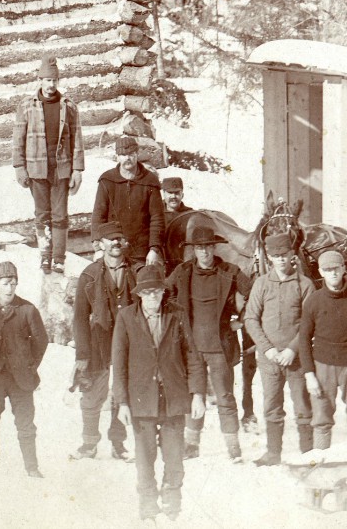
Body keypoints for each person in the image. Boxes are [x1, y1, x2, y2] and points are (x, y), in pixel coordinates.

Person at [113, 261, 192, 521]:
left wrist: (199, 393)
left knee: (174, 457)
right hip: (141, 400)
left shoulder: (177, 314)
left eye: (156, 292)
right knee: (145, 460)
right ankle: (148, 507)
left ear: (163, 292)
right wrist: (122, 403)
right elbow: (119, 363)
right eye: (147, 293)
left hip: (172, 399)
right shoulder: (126, 317)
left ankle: (173, 507)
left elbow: (191, 355)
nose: (152, 298)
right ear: (139, 295)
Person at [166, 214, 248, 463]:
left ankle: (233, 448)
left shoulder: (229, 272)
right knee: (195, 396)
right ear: (193, 250)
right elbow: (165, 294)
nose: (204, 253)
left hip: (219, 347)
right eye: (199, 248)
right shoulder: (183, 272)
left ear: (214, 247)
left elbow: (254, 293)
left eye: (207, 247)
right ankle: (192, 445)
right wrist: (176, 322)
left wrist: (241, 320)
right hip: (191, 348)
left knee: (225, 396)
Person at [0, 259, 50, 478]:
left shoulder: (27, 309)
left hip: (20, 380)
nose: (9, 288)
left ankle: (32, 468)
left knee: (26, 426)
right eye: (5, 283)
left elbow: (40, 341)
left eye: (13, 283)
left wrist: (28, 364)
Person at [246, 230, 316, 466]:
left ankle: (308, 454)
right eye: (276, 256)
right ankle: (273, 453)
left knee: (303, 406)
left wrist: (292, 350)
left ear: (292, 255)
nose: (281, 260)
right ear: (269, 257)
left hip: (296, 358)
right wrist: (268, 349)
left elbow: (309, 322)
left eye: (285, 254)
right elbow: (251, 319)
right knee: (272, 405)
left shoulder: (304, 285)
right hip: (269, 360)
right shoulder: (261, 284)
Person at [11, 55, 83, 275]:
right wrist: (19, 167)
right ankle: (45, 256)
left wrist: (77, 169)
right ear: (39, 79)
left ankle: (59, 258)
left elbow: (77, 138)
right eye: (47, 80)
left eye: (55, 80)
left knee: (60, 216)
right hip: (37, 169)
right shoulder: (27, 106)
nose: (51, 85)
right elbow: (18, 139)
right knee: (42, 215)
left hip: (61, 169)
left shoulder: (68, 106)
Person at [301, 248, 347, 454]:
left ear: (344, 269)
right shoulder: (313, 301)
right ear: (321, 273)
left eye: (336, 268)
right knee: (321, 419)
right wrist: (309, 375)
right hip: (323, 367)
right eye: (327, 269)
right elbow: (304, 339)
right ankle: (320, 464)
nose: (333, 273)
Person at [73, 221, 135, 460]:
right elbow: (79, 317)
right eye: (110, 239)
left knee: (121, 392)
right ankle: (89, 444)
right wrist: (82, 354)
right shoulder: (88, 275)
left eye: (120, 238)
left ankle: (118, 443)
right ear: (101, 244)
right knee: (91, 394)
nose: (116, 243)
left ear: (125, 243)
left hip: (126, 343)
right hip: (97, 341)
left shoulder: (135, 272)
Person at [93, 136, 165, 270]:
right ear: (117, 157)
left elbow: (157, 218)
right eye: (123, 155)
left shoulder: (150, 181)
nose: (127, 158)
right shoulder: (107, 180)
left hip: (141, 252)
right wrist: (97, 247)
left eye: (131, 154)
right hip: (113, 250)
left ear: (137, 154)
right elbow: (98, 215)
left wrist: (154, 249)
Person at [156, 177, 193, 272]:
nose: (173, 196)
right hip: (160, 262)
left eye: (177, 193)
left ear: (182, 195)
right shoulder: (155, 213)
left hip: (183, 264)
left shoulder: (190, 214)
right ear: (163, 194)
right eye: (170, 193)